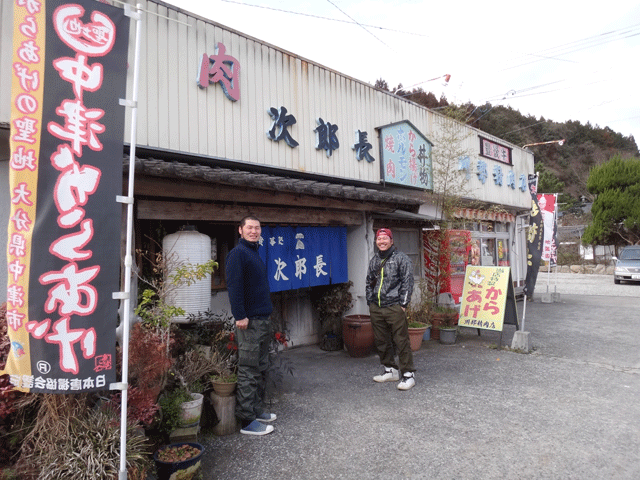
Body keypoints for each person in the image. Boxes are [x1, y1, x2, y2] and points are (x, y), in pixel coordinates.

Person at [225, 216, 276, 435]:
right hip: (249, 322)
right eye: (249, 227)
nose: (254, 231)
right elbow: (234, 287)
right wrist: (240, 316)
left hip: (261, 320)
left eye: (257, 227)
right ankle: (247, 421)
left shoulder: (253, 253)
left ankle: (256, 409)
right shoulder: (238, 254)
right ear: (240, 230)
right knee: (248, 369)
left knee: (260, 366)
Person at [365, 228, 416, 391]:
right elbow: (369, 282)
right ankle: (390, 370)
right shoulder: (374, 260)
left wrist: (403, 303)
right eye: (379, 239)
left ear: (391, 241)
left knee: (401, 340)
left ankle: (408, 374)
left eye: (385, 238)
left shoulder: (401, 259)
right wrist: (370, 301)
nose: (382, 241)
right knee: (381, 340)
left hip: (394, 306)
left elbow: (407, 282)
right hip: (377, 306)